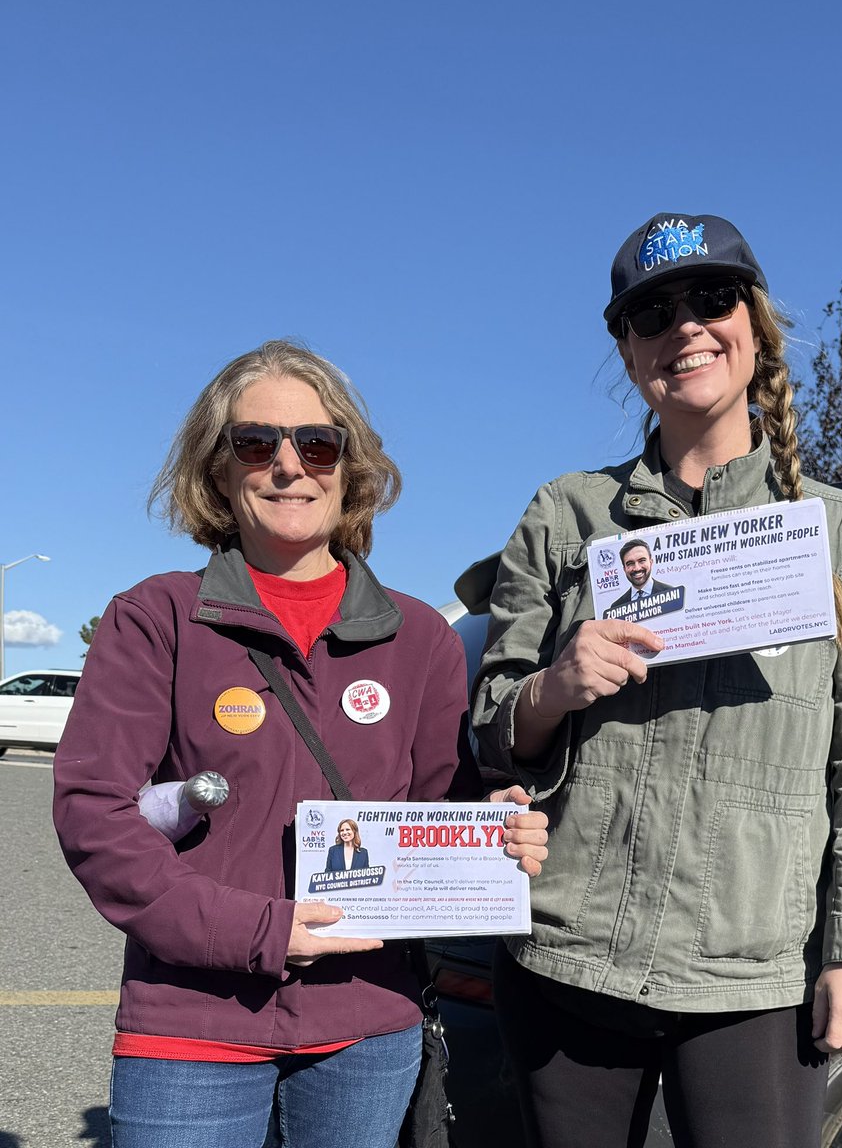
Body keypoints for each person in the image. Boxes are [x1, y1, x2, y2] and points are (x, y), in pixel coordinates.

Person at [469, 213, 842, 1148]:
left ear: (754, 322)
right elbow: (489, 730)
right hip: (569, 956)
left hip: (754, 975)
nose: (685, 327)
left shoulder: (841, 532)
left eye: (711, 299)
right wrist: (551, 688)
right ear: (627, 346)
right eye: (652, 313)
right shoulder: (567, 514)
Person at [53, 340, 548, 1148]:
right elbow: (94, 817)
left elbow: (439, 810)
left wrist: (493, 832)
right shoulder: (156, 617)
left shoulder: (420, 636)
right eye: (257, 443)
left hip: (367, 1026)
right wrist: (259, 933)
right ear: (218, 469)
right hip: (191, 1027)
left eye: (317, 443)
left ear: (351, 467)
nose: (290, 465)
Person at [602, 539, 671, 619]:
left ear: (651, 562)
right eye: (630, 564)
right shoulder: (616, 607)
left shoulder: (670, 592)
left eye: (642, 561)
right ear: (624, 569)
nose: (637, 568)